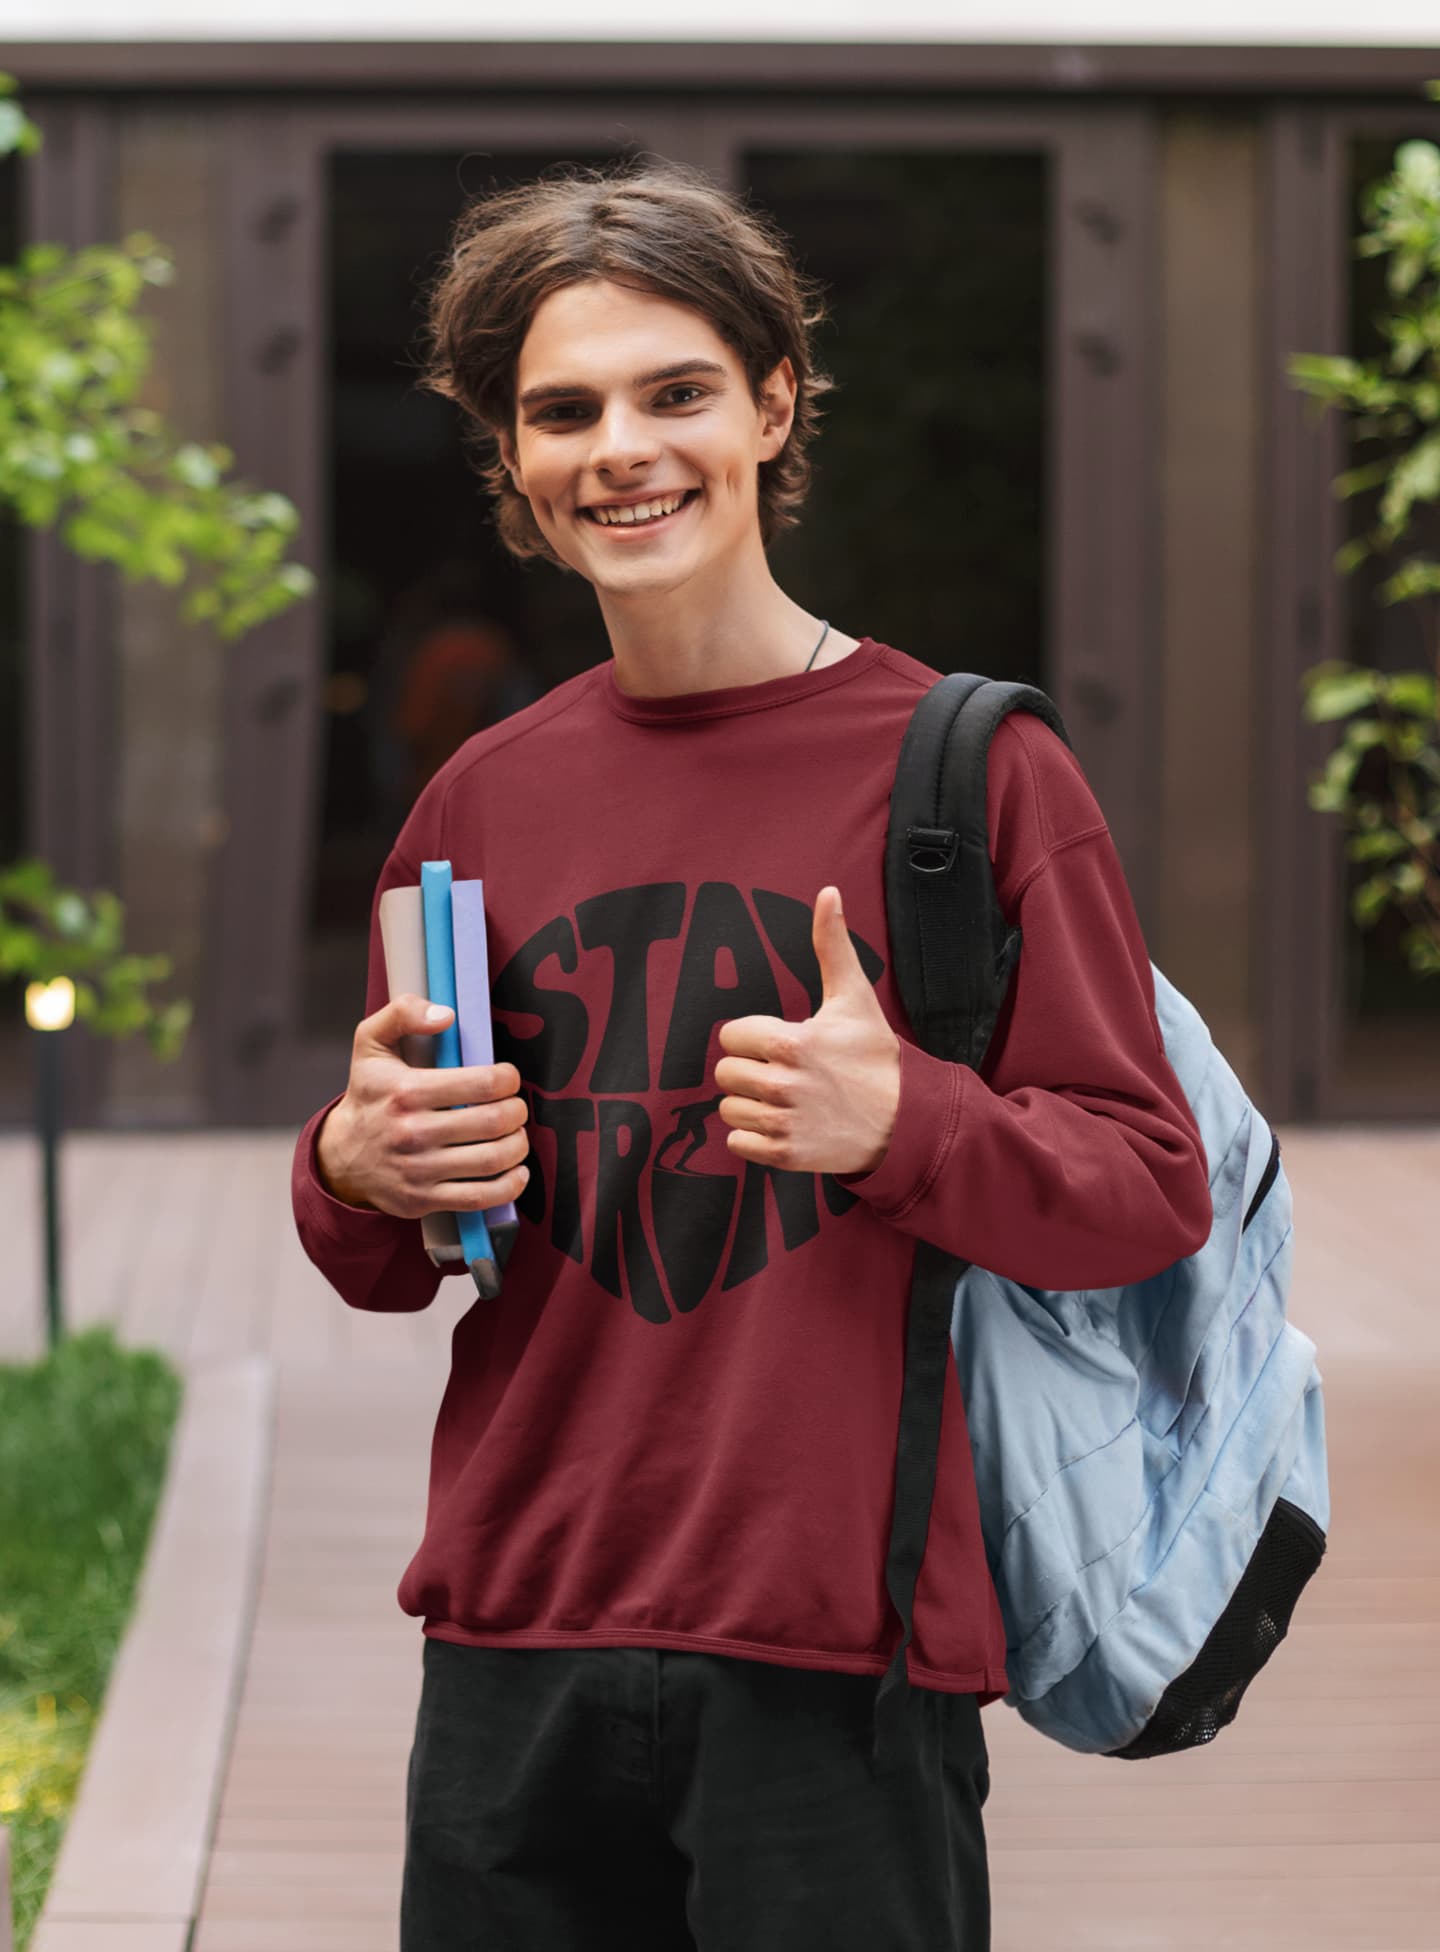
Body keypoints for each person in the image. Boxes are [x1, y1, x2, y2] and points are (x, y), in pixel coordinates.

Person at [290, 155, 1213, 1951]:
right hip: (512, 1639)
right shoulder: (483, 795)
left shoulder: (976, 777)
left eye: (676, 392)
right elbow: (387, 1248)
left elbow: (1145, 1190)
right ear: (517, 463)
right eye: (564, 411)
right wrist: (353, 1162)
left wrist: (909, 1121)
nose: (620, 447)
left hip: (839, 1660)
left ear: (773, 402)